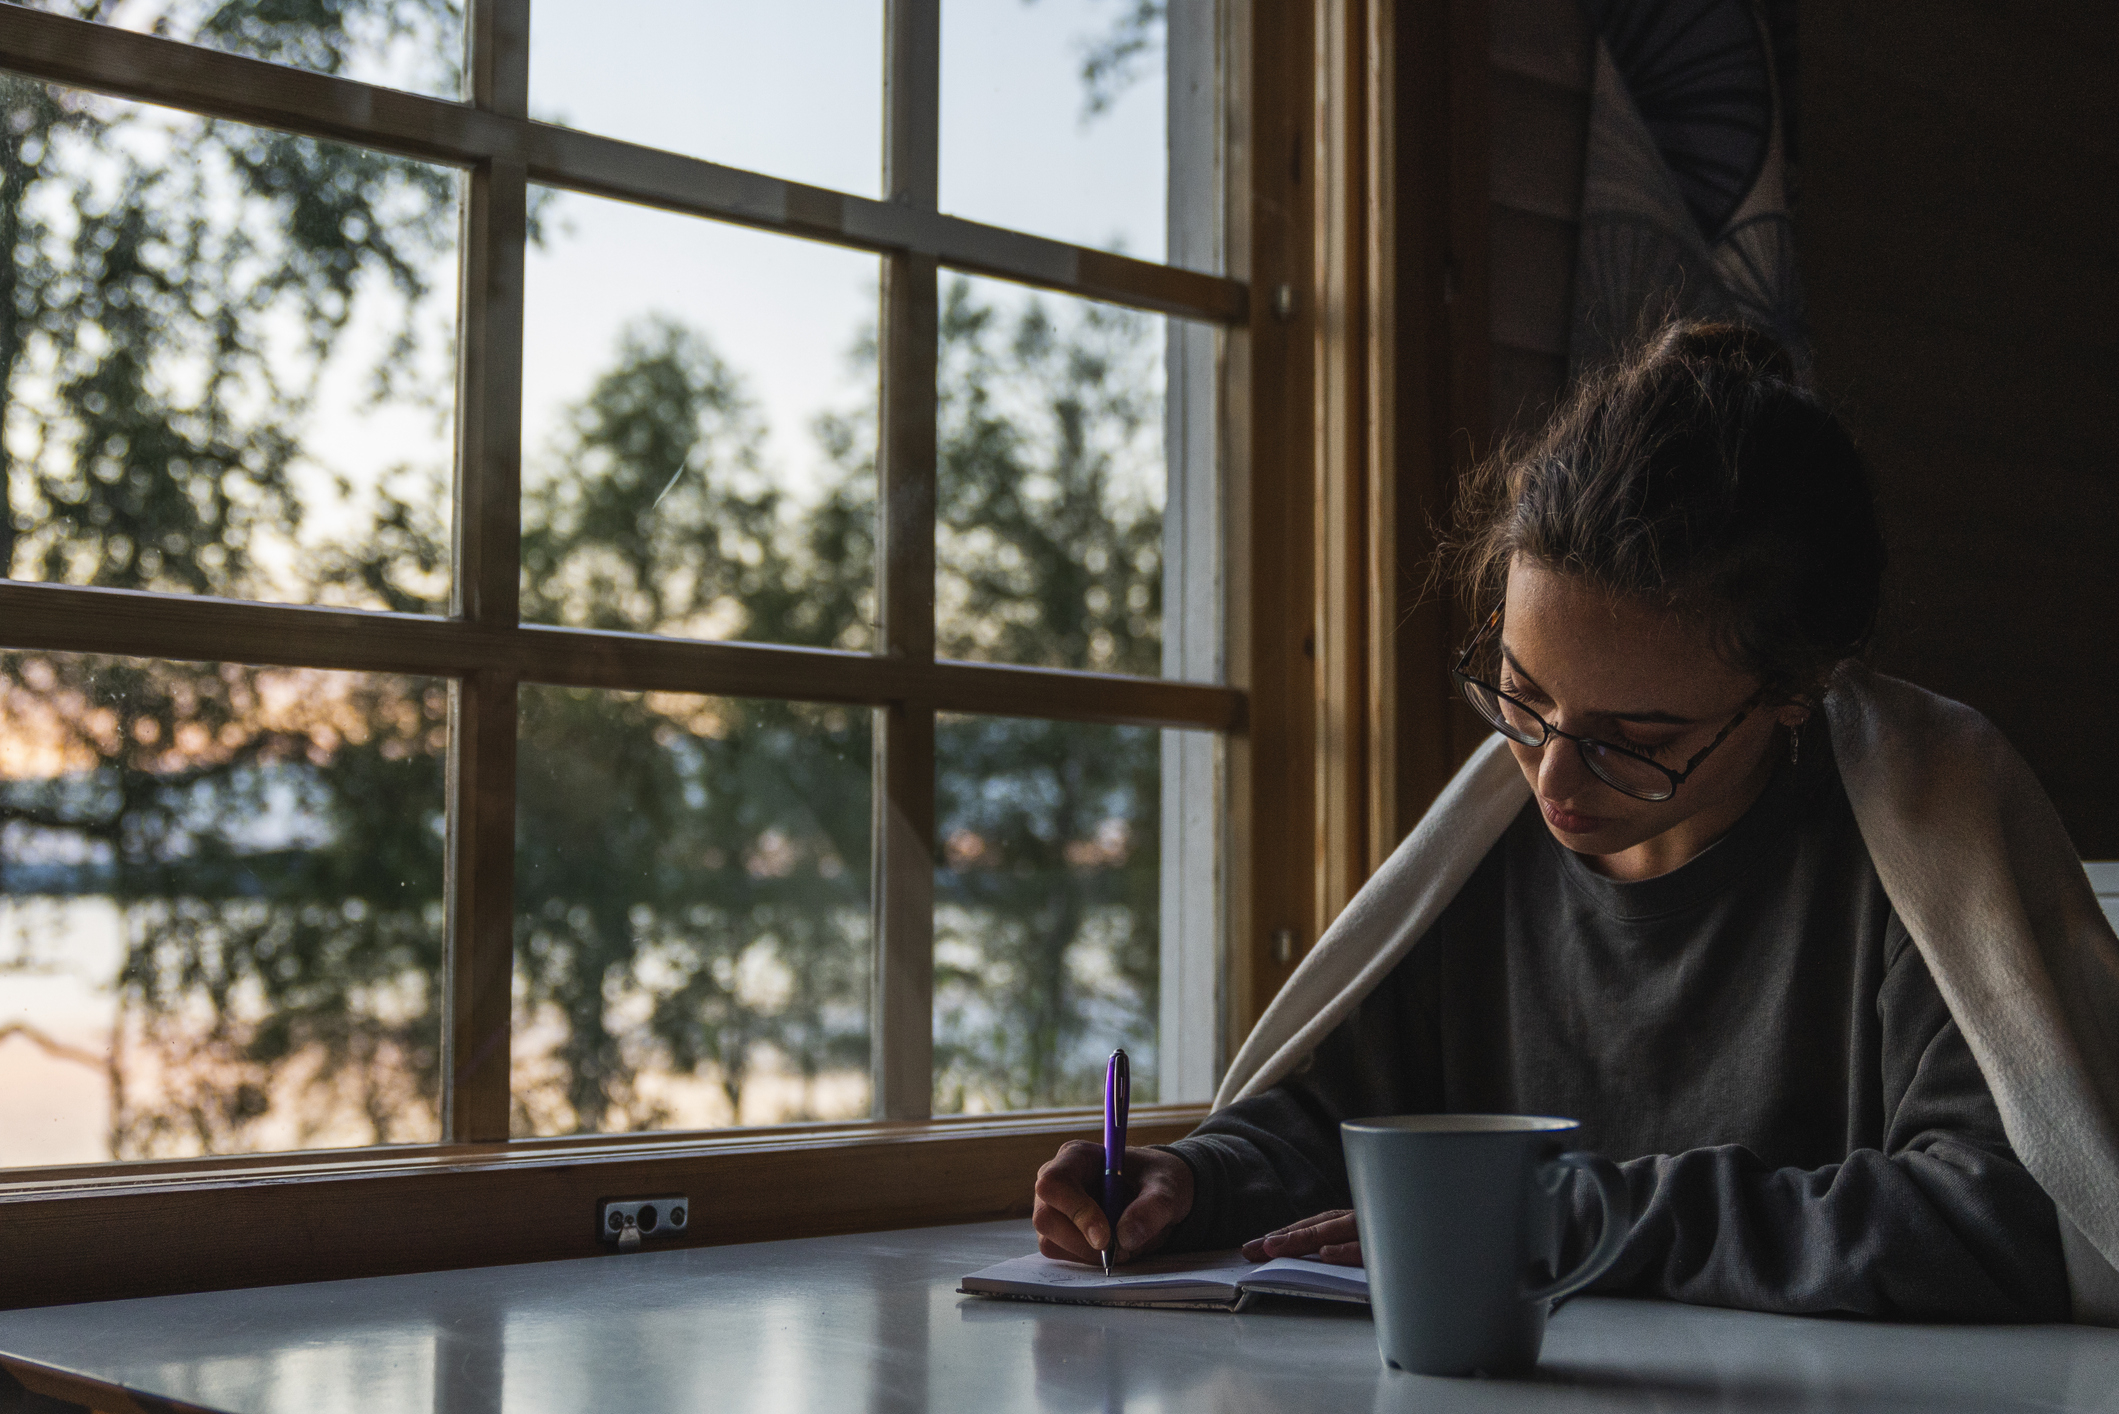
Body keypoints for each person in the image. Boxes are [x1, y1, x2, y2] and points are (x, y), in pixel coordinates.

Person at [1030, 322, 2100, 1321]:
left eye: (1636, 738)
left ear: (1797, 690)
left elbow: (2008, 1214)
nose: (1552, 777)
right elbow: (1339, 1115)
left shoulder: (1922, 832)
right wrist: (1194, 1177)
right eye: (1519, 695)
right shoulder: (1489, 851)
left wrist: (1567, 1220)